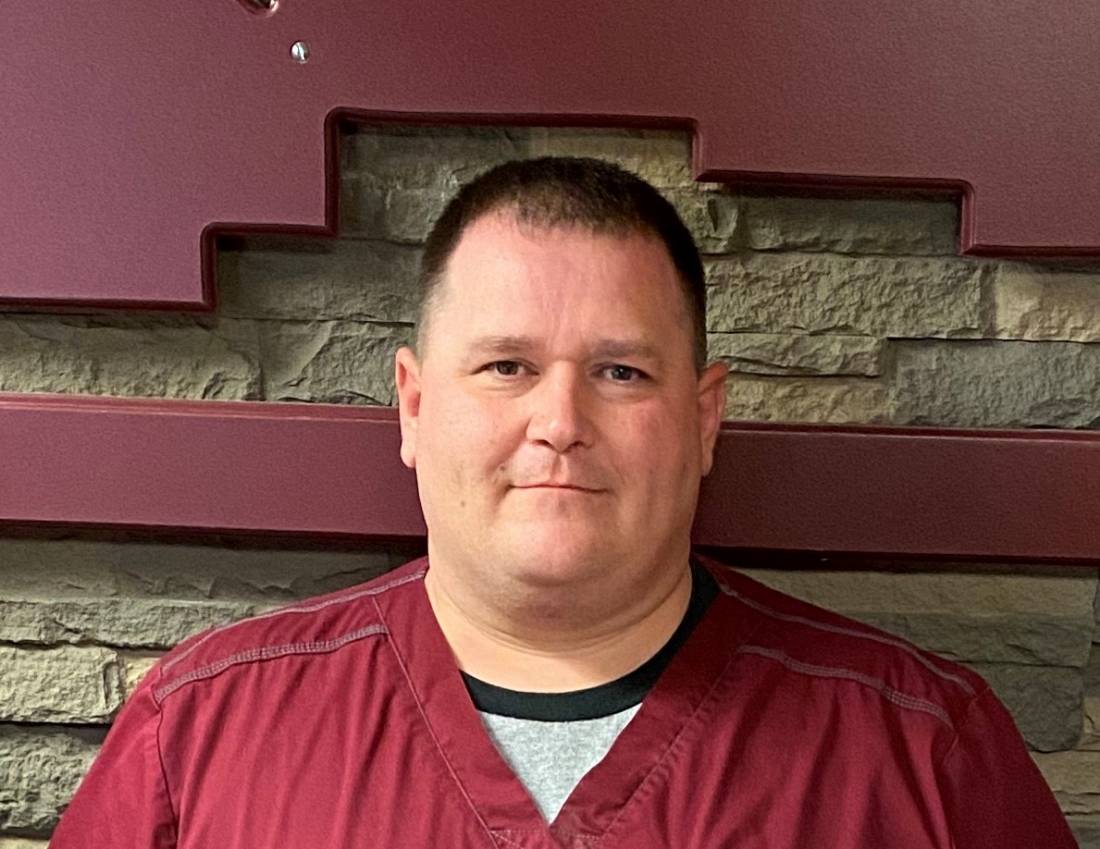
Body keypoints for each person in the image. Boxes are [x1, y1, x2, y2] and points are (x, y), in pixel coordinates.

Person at [51, 157, 1075, 848]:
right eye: (504, 365)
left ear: (704, 416)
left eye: (621, 373)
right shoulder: (199, 739)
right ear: (411, 406)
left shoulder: (922, 757)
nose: (558, 421)